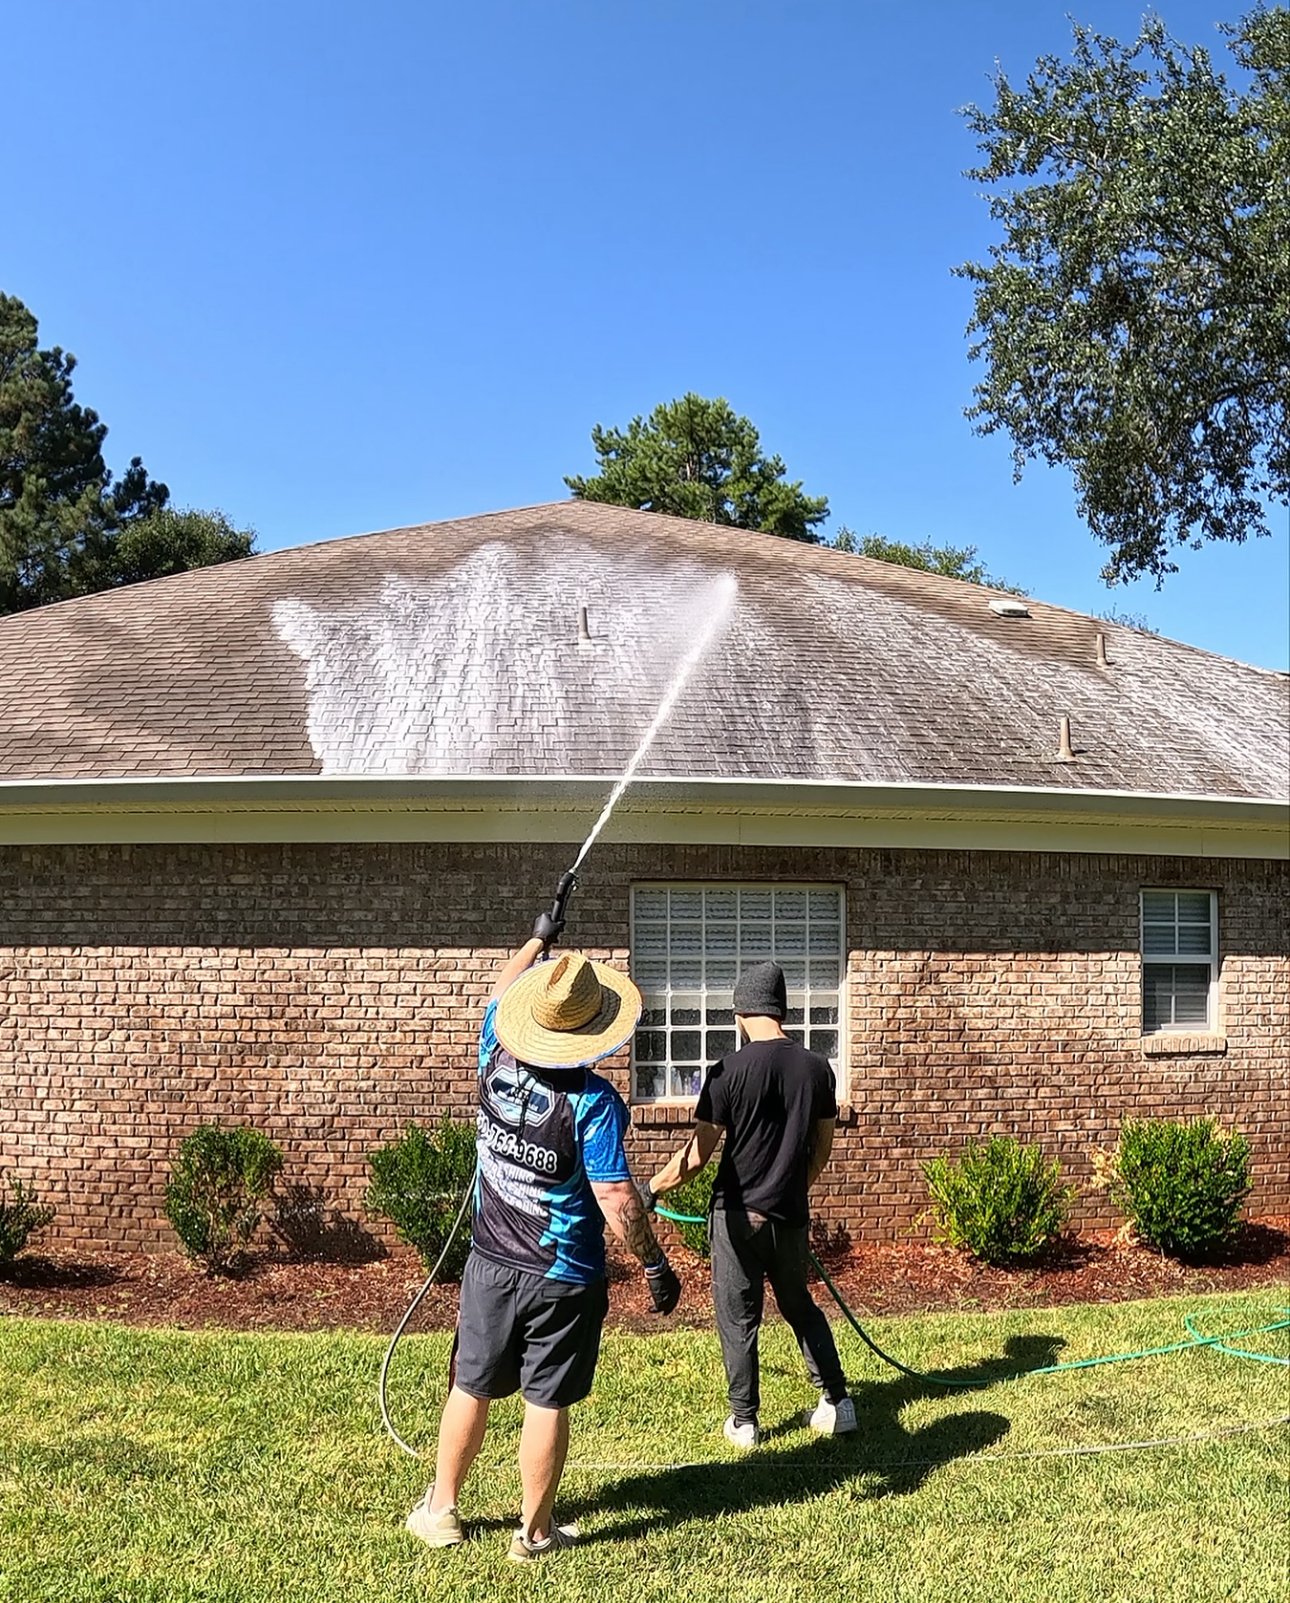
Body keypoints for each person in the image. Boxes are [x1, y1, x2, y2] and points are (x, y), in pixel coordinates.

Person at [405, 902, 681, 1561]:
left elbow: (497, 996)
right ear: (593, 1031)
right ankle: (532, 1534)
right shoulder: (593, 1102)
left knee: (470, 1382)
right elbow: (615, 1195)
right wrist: (653, 1263)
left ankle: (442, 1508)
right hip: (563, 1276)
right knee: (546, 1397)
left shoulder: (493, 1053)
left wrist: (536, 938)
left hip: (491, 1261)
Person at [643, 960, 854, 1448]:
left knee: (738, 1316)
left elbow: (695, 1157)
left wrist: (651, 1189)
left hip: (736, 1216)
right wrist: (791, 1189)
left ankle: (744, 1421)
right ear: (781, 1010)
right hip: (790, 1216)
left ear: (741, 1011)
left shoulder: (728, 1072)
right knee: (800, 1305)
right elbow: (820, 1150)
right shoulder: (818, 1069)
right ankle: (838, 1403)